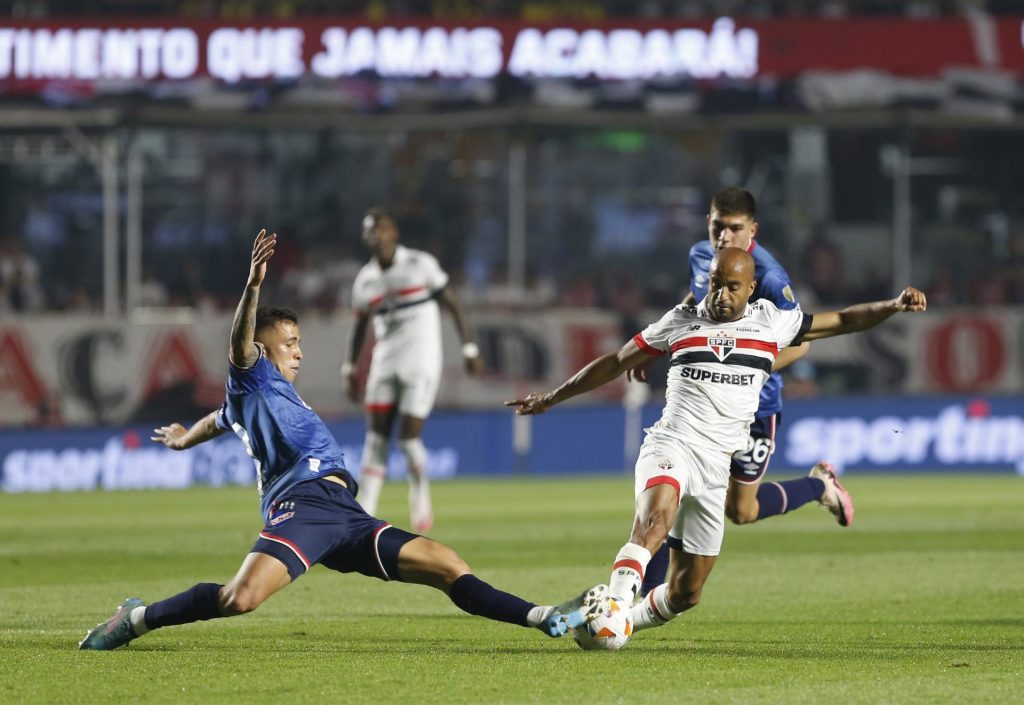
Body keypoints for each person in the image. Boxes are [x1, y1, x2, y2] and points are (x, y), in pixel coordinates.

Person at [79, 229, 578, 651]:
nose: (298, 352)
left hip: (344, 512)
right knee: (240, 599)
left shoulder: (256, 399)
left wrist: (187, 437)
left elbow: (220, 418)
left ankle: (542, 616)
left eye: (299, 342)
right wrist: (252, 287)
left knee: (447, 564)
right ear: (264, 347)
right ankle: (137, 618)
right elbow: (238, 348)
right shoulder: (252, 375)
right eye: (290, 343)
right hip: (301, 508)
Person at [507, 247, 926, 639]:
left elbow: (847, 321)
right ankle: (615, 602)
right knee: (654, 521)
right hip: (671, 446)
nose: (721, 294)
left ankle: (617, 621)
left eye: (732, 287)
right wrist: (553, 397)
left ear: (749, 289)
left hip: (715, 467)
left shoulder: (772, 321)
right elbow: (617, 362)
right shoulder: (680, 320)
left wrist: (892, 305)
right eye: (715, 283)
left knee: (686, 593)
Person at [630, 187, 851, 596]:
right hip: (704, 405)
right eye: (718, 226)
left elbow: (800, 340)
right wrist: (664, 345)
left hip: (754, 403)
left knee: (742, 511)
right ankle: (642, 595)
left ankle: (819, 486)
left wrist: (745, 365)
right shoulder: (703, 255)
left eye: (734, 228)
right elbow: (699, 301)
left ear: (753, 229)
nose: (724, 237)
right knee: (673, 487)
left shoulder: (770, 278)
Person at [343, 208, 483, 531]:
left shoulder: (420, 265)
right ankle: (364, 513)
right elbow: (359, 326)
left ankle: (420, 492)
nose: (376, 234)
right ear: (366, 238)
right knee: (375, 439)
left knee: (407, 440)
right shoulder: (365, 280)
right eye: (370, 230)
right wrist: (349, 367)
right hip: (384, 361)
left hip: (422, 361)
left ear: (395, 233)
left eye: (381, 228)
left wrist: (469, 348)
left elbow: (453, 303)